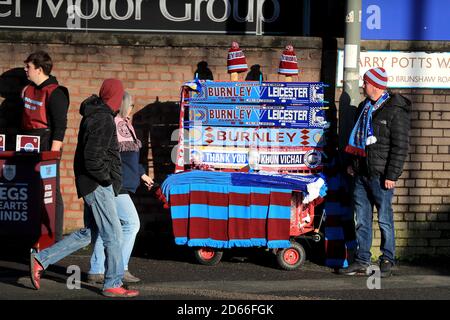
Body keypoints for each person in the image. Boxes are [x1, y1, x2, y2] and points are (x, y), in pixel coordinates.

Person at [29, 79, 139, 297]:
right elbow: (92, 158)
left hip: (94, 183)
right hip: (97, 185)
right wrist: (106, 180)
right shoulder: (102, 119)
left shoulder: (97, 115)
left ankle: (40, 259)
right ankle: (112, 283)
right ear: (114, 97)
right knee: (114, 235)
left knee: (90, 233)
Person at [339, 67, 411, 278]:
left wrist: (392, 175)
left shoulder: (395, 110)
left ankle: (387, 258)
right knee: (362, 219)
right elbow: (357, 139)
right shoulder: (364, 107)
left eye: (366, 83)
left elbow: (400, 147)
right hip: (361, 174)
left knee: (384, 220)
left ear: (376, 85)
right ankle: (362, 260)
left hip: (381, 177)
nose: (363, 86)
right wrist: (353, 163)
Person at [88, 91, 153, 285]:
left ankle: (96, 269)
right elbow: (114, 158)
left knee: (105, 227)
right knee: (132, 224)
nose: (133, 108)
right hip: (117, 184)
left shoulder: (125, 125)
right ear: (125, 105)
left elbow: (130, 158)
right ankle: (120, 267)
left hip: (122, 182)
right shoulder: (115, 125)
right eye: (131, 105)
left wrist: (142, 174)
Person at [22, 51, 69, 241]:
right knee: (32, 189)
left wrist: (53, 154)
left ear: (39, 69)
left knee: (50, 192)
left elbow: (60, 126)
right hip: (27, 144)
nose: (25, 70)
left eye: (29, 67)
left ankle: (54, 237)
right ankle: (34, 234)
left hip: (47, 145)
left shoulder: (56, 92)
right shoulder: (27, 89)